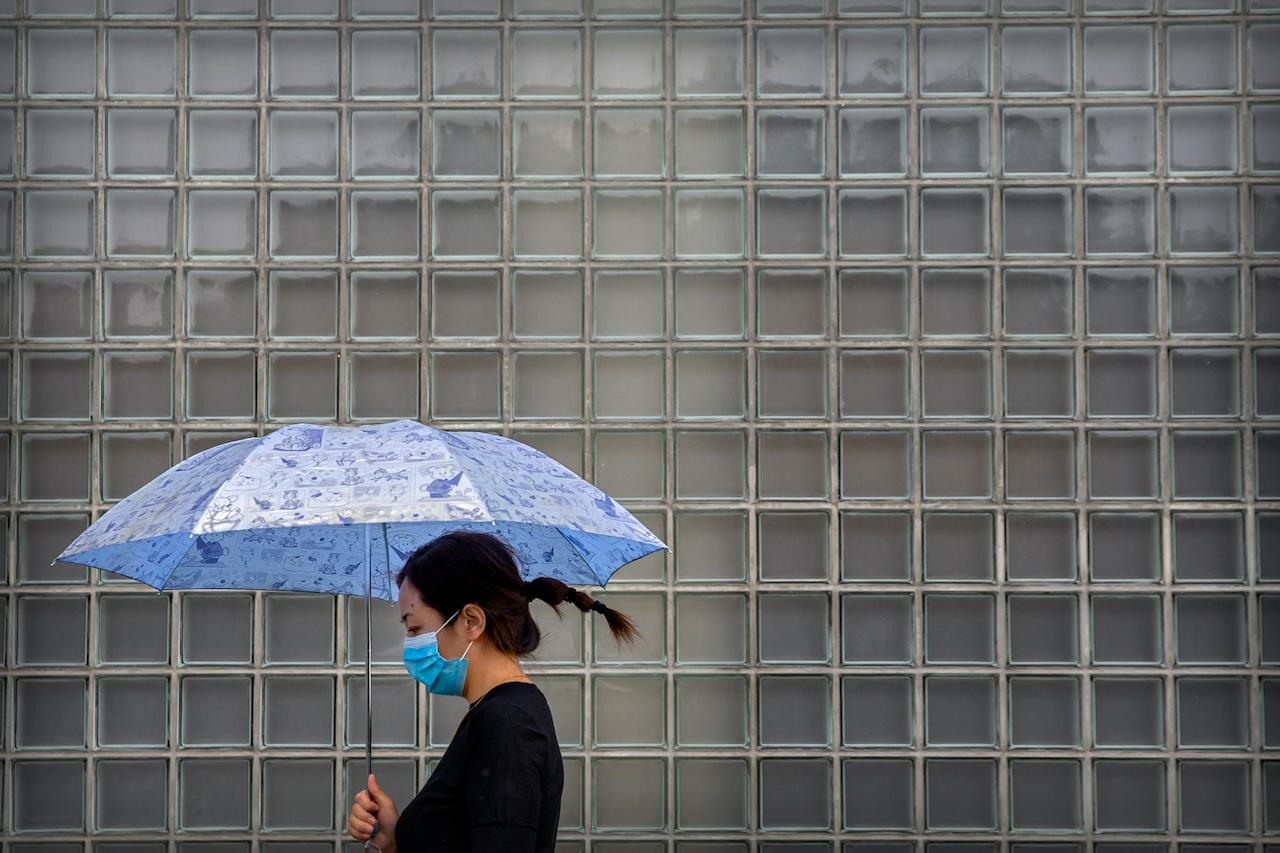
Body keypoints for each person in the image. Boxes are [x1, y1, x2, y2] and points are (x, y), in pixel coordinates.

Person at [345, 530, 638, 853]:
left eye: (414, 628)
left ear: (471, 620)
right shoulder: (500, 711)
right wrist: (395, 840)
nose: (410, 644)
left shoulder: (506, 724)